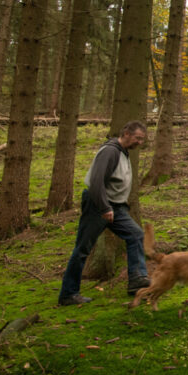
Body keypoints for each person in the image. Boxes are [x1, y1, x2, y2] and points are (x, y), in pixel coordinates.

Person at [58, 121, 151, 306]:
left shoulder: (123, 153)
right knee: (83, 248)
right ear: (125, 132)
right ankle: (68, 294)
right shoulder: (110, 151)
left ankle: (137, 279)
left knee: (136, 234)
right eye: (137, 138)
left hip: (115, 207)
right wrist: (104, 208)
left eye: (142, 139)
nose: (140, 143)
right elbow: (96, 181)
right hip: (98, 206)